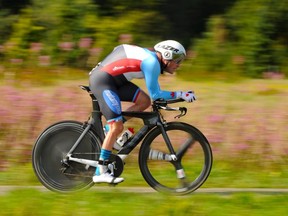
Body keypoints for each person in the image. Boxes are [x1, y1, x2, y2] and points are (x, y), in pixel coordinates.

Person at [89, 40, 196, 184]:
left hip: (115, 81)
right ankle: (100, 171)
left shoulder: (151, 59)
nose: (179, 65)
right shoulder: (152, 63)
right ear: (167, 56)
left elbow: (119, 48)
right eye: (177, 61)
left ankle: (108, 131)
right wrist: (181, 94)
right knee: (117, 126)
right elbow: (156, 95)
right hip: (103, 81)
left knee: (143, 102)